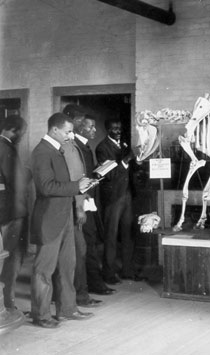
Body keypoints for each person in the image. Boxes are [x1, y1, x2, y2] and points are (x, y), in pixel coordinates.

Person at [30, 113, 93, 328]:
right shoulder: (41, 152)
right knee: (44, 270)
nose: (70, 135)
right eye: (67, 131)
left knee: (67, 266)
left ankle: (67, 310)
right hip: (49, 218)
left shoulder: (58, 149)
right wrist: (77, 187)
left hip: (65, 215)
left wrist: (81, 187)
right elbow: (46, 187)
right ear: (54, 130)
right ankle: (42, 315)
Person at [60, 106, 103, 308]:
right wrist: (79, 207)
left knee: (81, 249)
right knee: (77, 251)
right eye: (76, 122)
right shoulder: (64, 148)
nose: (76, 127)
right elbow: (71, 180)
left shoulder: (73, 147)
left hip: (79, 202)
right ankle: (78, 296)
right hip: (72, 206)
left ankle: (80, 294)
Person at [73, 112, 117, 296]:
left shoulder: (85, 146)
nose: (94, 130)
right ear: (79, 126)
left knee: (90, 241)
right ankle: (92, 284)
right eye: (90, 127)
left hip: (88, 198)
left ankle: (92, 283)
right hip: (82, 201)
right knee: (87, 242)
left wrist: (96, 175)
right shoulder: (75, 147)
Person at [96, 118, 138, 284]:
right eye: (114, 128)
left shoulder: (125, 144)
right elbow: (109, 175)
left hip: (127, 195)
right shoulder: (102, 148)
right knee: (111, 235)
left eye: (119, 127)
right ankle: (109, 273)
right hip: (113, 197)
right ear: (107, 129)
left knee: (128, 234)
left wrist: (137, 162)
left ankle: (127, 271)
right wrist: (125, 161)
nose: (118, 130)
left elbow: (129, 169)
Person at [0, 115, 29, 310]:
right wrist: (29, 173)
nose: (22, 136)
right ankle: (8, 304)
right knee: (12, 257)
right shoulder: (6, 148)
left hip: (4, 211)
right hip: (12, 212)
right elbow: (17, 182)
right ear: (14, 130)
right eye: (22, 133)